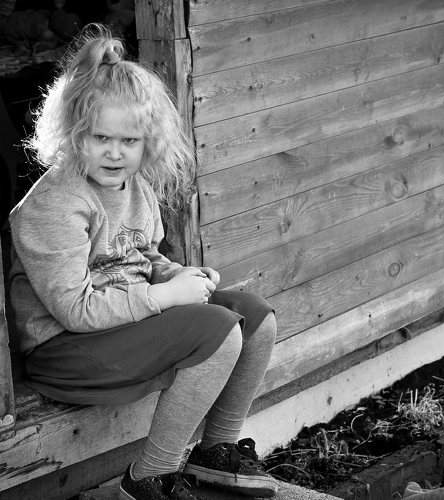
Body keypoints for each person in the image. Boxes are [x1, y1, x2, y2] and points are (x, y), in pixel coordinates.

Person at [8, 24, 278, 500]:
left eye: (129, 141)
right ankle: (149, 477)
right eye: (100, 137)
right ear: (73, 134)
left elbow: (143, 256)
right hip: (64, 349)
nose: (115, 153)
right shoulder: (55, 205)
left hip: (121, 328)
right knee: (216, 331)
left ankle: (215, 453)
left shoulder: (135, 188)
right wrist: (165, 296)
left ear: (148, 142)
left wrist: (179, 276)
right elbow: (75, 310)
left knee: (255, 317)